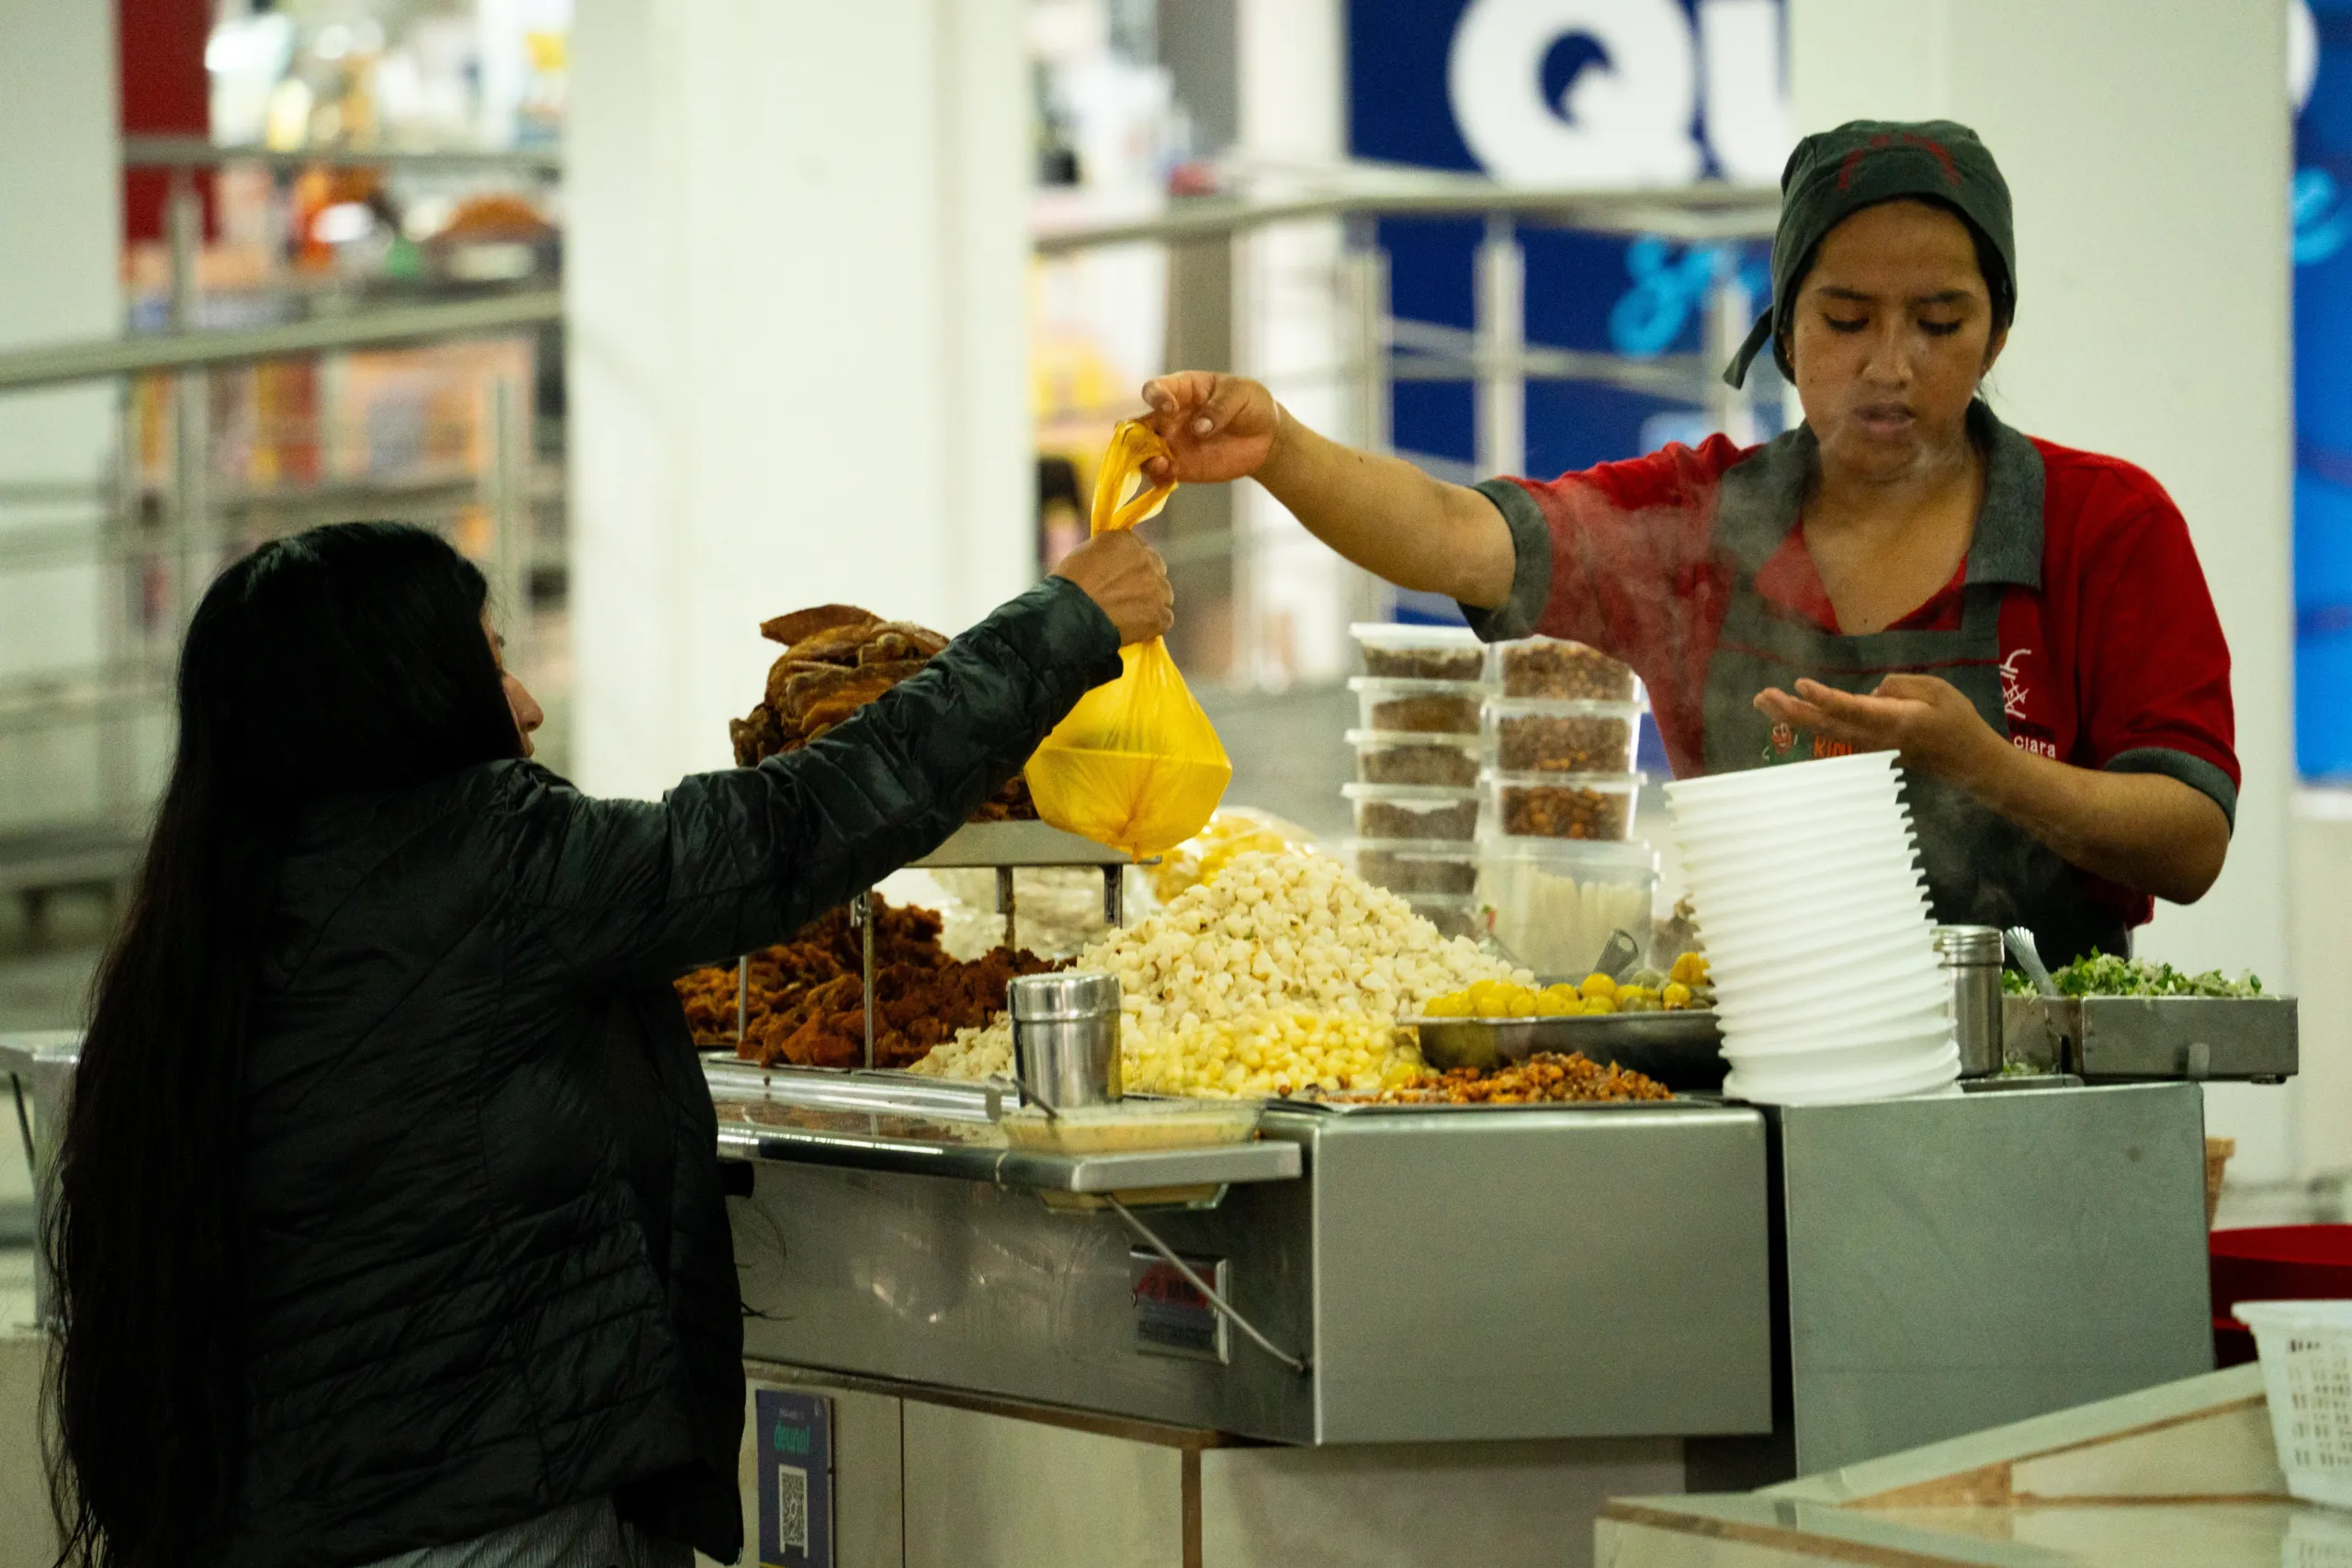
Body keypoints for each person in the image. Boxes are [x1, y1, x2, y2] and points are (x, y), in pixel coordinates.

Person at [47, 519, 1171, 1568]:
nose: (528, 705)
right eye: (491, 663)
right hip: (488, 1524)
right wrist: (1061, 625)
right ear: (399, 698)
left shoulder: (208, 919)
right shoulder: (484, 860)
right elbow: (793, 829)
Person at [1137, 119, 2235, 966]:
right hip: (1761, 1073)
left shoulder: (2103, 526)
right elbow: (1451, 537)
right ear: (1783, 332)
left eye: (1939, 323)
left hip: (2044, 1096)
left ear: (1997, 330)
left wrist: (1988, 771)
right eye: (1845, 321)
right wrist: (1277, 445)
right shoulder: (1697, 525)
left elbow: (2190, 840)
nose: (1889, 363)